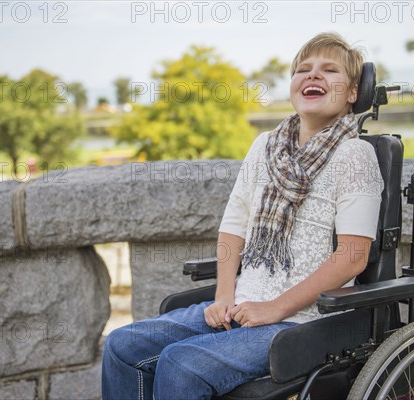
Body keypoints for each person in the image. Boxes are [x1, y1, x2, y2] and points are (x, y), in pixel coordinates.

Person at [102, 32, 383, 400]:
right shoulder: (266, 145)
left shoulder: (354, 156)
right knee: (123, 345)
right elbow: (234, 225)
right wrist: (222, 296)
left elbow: (353, 257)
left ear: (352, 93)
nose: (313, 76)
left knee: (181, 364)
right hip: (242, 304)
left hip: (306, 320)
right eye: (303, 69)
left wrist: (274, 308)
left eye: (329, 70)